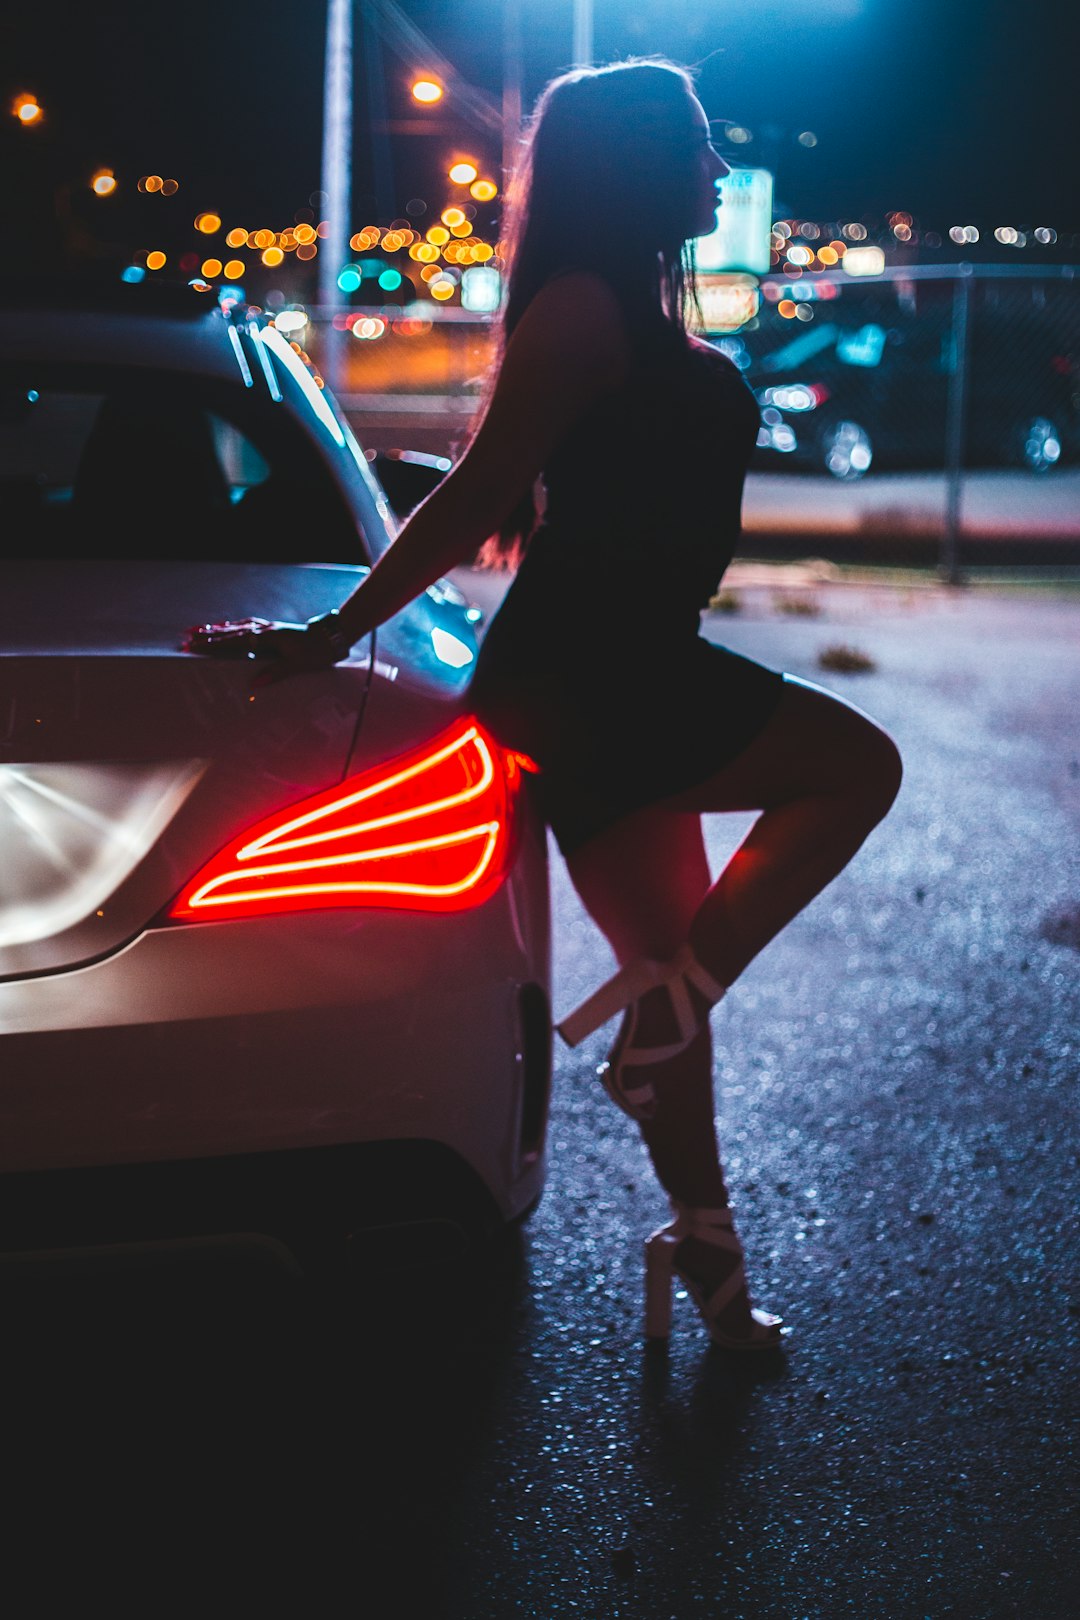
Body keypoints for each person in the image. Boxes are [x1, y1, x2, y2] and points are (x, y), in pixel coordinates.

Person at [192, 58, 902, 1352]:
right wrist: (334, 631)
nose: (719, 168)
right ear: (635, 162)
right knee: (858, 769)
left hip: (617, 673)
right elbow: (473, 498)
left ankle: (717, 1283)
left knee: (665, 979)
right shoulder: (581, 310)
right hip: (596, 676)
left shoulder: (624, 299)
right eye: (695, 145)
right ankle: (664, 1025)